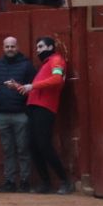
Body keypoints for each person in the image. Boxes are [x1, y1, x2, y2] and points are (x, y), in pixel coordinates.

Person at [14, 35, 73, 194]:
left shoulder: (56, 60)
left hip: (45, 108)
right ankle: (46, 182)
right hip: (35, 107)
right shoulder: (47, 63)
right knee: (34, 145)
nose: (38, 50)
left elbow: (57, 79)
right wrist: (20, 87)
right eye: (37, 47)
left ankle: (64, 180)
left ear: (50, 47)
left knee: (43, 145)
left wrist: (32, 86)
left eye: (41, 47)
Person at [0, 36, 35, 193]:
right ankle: (10, 181)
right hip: (2, 115)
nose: (10, 49)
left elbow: (34, 90)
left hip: (21, 114)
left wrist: (28, 112)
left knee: (23, 148)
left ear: (17, 47)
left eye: (12, 46)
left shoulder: (27, 66)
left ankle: (25, 180)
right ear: (3, 48)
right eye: (7, 47)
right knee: (8, 149)